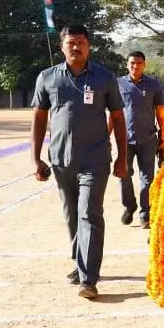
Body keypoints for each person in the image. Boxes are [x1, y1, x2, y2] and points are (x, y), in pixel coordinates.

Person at [31, 25, 127, 300]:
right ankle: (79, 262)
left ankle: (89, 278)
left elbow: (118, 118)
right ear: (62, 46)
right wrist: (35, 158)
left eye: (82, 42)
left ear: (89, 46)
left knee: (89, 213)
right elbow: (39, 118)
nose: (77, 47)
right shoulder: (47, 78)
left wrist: (122, 157)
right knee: (72, 214)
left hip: (95, 159)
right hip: (61, 160)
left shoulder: (105, 78)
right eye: (71, 42)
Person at [115, 51, 164, 229]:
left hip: (148, 139)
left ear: (145, 65)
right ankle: (130, 206)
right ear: (126, 64)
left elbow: (160, 111)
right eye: (132, 63)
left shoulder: (153, 85)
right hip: (124, 140)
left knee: (147, 179)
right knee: (123, 175)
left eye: (139, 63)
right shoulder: (118, 84)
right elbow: (112, 113)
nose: (135, 66)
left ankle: (146, 214)